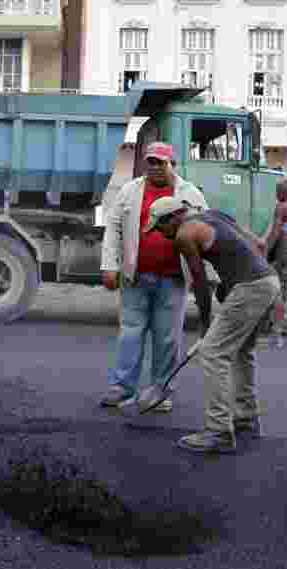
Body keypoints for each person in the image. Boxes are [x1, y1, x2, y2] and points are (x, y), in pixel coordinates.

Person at [143, 197, 279, 453]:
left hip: (249, 288)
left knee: (214, 353)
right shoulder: (214, 214)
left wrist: (205, 325)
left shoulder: (184, 234)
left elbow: (200, 283)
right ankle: (246, 420)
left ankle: (218, 431)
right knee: (241, 352)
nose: (162, 234)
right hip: (268, 281)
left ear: (172, 218)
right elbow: (256, 245)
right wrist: (230, 284)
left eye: (160, 228)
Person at [99, 141, 208, 413]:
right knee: (130, 333)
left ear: (173, 164)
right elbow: (113, 228)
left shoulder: (191, 194)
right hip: (136, 277)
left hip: (172, 279)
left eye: (161, 162)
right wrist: (109, 266)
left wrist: (207, 279)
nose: (155, 167)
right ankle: (122, 387)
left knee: (167, 337)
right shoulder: (129, 190)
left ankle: (160, 390)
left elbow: (204, 233)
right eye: (151, 162)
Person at [263, 178, 287, 321]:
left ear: (286, 192)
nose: (276, 194)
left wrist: (266, 251)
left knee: (282, 285)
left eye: (278, 191)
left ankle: (278, 321)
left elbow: (275, 232)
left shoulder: (282, 206)